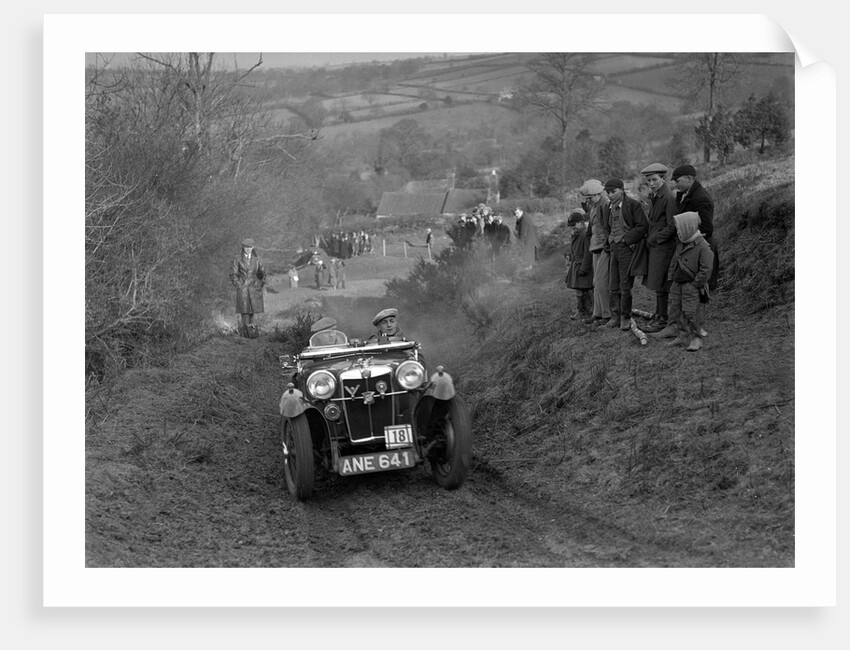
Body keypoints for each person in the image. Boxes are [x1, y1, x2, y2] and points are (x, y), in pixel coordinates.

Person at [673, 163, 717, 337]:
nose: (675, 184)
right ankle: (689, 326)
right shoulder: (685, 194)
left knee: (698, 287)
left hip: (698, 247)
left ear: (690, 179)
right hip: (689, 246)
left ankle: (698, 327)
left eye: (678, 181)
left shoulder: (701, 198)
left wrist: (691, 244)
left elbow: (707, 227)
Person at [600, 178, 648, 331]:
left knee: (625, 285)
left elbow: (643, 226)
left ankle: (625, 317)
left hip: (626, 249)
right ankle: (615, 316)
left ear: (621, 189)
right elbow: (606, 226)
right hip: (614, 248)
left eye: (613, 192)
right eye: (608, 193)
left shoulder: (633, 205)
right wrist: (609, 241)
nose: (610, 195)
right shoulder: (609, 206)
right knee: (613, 284)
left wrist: (627, 240)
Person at [664, 211, 714, 352]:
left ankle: (695, 339)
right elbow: (675, 261)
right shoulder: (681, 243)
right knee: (677, 309)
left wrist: (696, 284)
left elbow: (706, 269)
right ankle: (682, 336)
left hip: (691, 286)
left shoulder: (703, 246)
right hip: (678, 283)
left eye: (680, 229)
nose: (678, 232)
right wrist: (671, 276)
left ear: (688, 228)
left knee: (691, 313)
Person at [640, 163, 679, 333]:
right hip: (656, 246)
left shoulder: (668, 197)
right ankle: (659, 315)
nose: (652, 183)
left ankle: (662, 319)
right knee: (657, 282)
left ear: (663, 178)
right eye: (649, 180)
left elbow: (672, 226)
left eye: (655, 179)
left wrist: (655, 238)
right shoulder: (656, 196)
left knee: (662, 283)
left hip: (664, 247)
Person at [578, 179, 611, 325]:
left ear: (597, 194)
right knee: (596, 282)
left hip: (604, 247)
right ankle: (597, 313)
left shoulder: (604, 205)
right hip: (595, 247)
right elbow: (591, 229)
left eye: (590, 198)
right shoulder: (594, 206)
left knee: (602, 282)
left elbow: (607, 227)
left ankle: (607, 315)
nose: (588, 201)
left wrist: (607, 245)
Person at [230, 237, 266, 338]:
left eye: (250, 247)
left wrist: (259, 284)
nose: (248, 249)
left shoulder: (257, 259)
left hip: (254, 289)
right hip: (243, 289)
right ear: (243, 247)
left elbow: (263, 273)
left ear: (253, 247)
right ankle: (245, 335)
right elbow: (233, 273)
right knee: (245, 313)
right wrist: (238, 285)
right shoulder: (237, 259)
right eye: (246, 247)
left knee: (252, 313)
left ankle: (252, 335)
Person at [565, 208, 593, 323]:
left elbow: (588, 253)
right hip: (577, 265)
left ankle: (589, 311)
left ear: (581, 223)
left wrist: (584, 268)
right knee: (579, 290)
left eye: (574, 225)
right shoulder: (577, 233)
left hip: (583, 266)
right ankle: (581, 310)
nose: (572, 227)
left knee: (587, 290)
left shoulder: (585, 234)